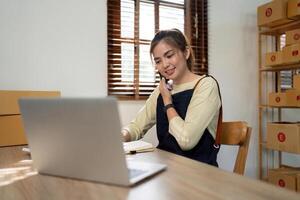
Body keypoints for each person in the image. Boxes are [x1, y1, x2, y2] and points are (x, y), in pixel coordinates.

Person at [122, 28, 222, 166]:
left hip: (198, 173)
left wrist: (168, 102)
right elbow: (137, 126)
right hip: (166, 169)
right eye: (158, 61)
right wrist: (122, 135)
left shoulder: (206, 85)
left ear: (186, 52)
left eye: (169, 56)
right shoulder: (162, 89)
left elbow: (186, 141)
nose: (164, 65)